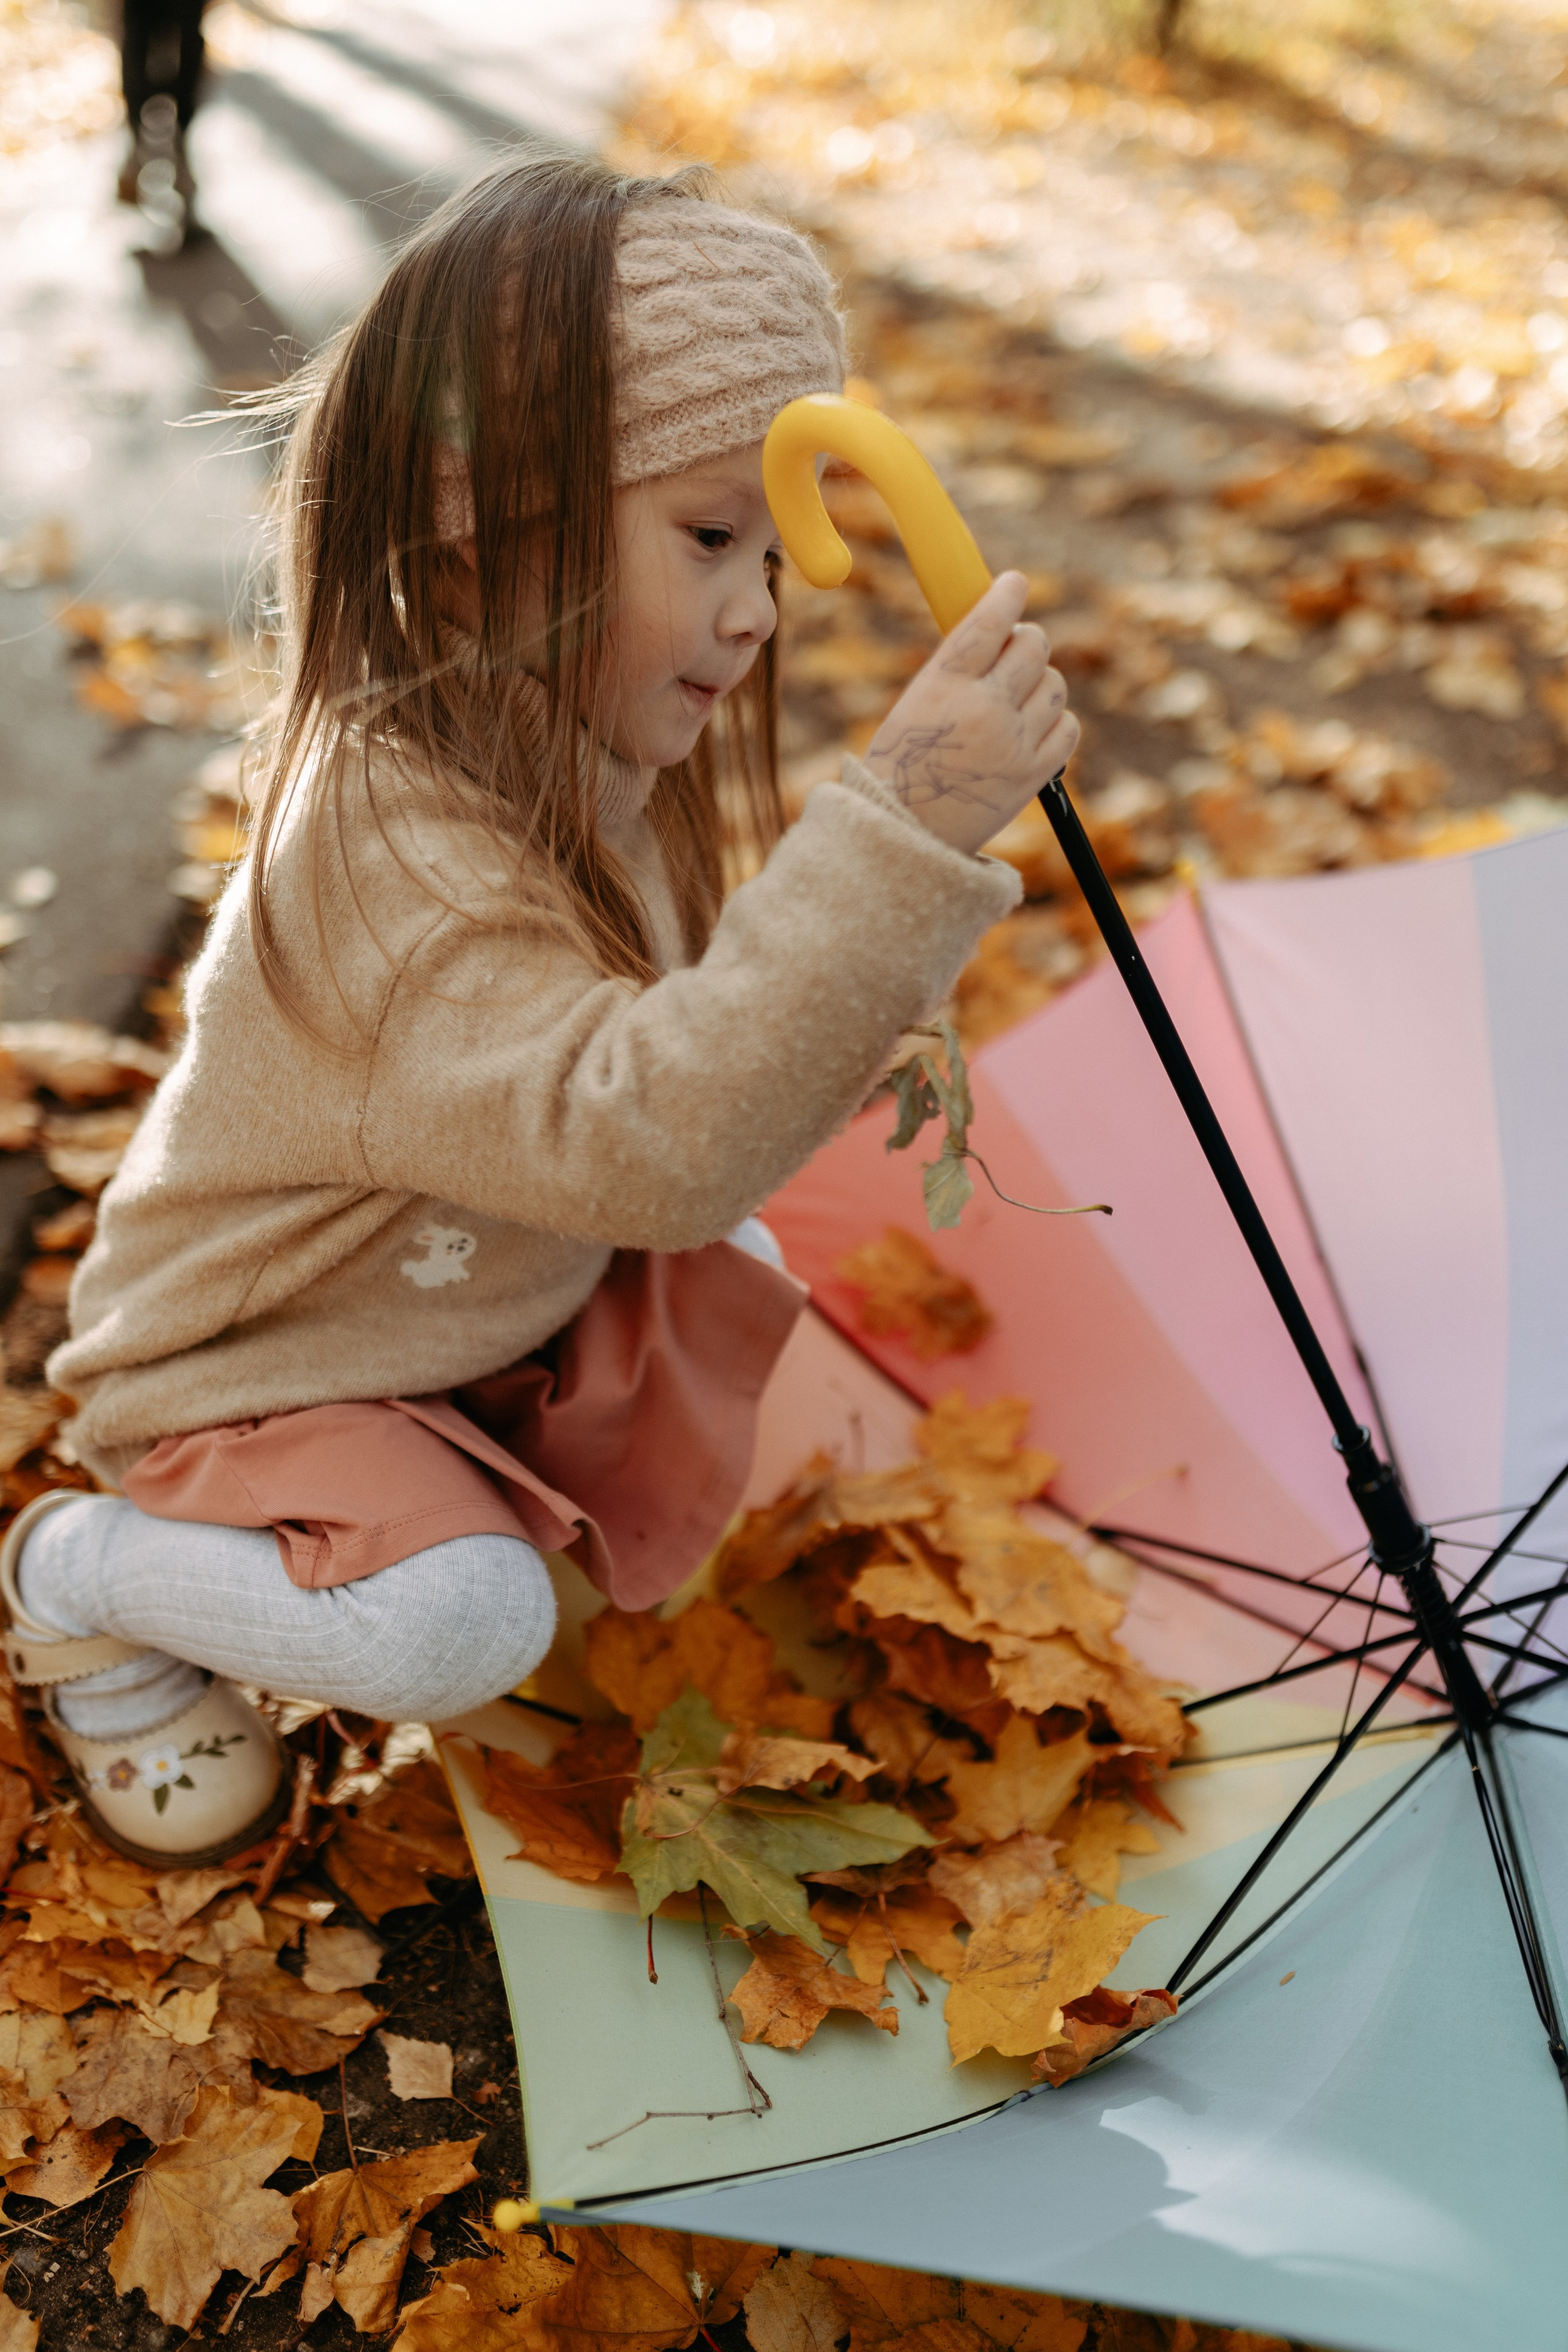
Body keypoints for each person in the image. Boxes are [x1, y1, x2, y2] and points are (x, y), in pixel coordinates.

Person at [2, 154, 1077, 1869]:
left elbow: (659, 1090)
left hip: (449, 1318)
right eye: (712, 535)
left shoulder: (553, 752)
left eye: (769, 550)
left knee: (744, 1284)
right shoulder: (388, 854)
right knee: (460, 1625)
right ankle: (85, 1574)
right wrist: (895, 841)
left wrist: (849, 988)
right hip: (260, 1377)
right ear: (476, 534)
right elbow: (647, 1144)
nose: (755, 607)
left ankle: (444, 1499)